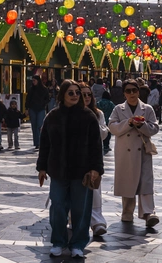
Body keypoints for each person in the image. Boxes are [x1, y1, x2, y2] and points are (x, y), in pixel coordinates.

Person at [37, 80, 104, 258]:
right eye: (71, 93)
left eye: (77, 92)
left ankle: (78, 244)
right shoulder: (52, 116)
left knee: (81, 209)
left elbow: (96, 145)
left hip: (82, 170)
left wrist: (96, 168)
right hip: (58, 170)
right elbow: (45, 144)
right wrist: (42, 167)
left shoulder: (88, 116)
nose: (75, 95)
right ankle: (58, 241)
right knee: (58, 206)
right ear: (63, 95)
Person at [108, 79, 160, 228]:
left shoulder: (147, 109)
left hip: (143, 150)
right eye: (128, 91)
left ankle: (148, 213)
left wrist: (142, 125)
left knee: (145, 181)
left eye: (134, 90)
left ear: (139, 91)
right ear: (124, 93)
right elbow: (112, 127)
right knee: (128, 182)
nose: (132, 94)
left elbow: (154, 128)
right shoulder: (118, 109)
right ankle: (127, 212)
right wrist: (129, 123)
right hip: (125, 151)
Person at [80, 83, 109, 237]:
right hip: (76, 157)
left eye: (88, 94)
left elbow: (104, 133)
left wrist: (94, 126)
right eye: (83, 94)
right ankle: (74, 219)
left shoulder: (98, 114)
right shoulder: (71, 113)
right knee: (76, 188)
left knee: (95, 188)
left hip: (93, 156)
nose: (86, 97)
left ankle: (97, 221)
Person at [26, 75, 50, 150]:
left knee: (39, 126)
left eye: (34, 80)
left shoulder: (44, 89)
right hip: (32, 109)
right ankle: (36, 143)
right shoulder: (31, 89)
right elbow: (28, 99)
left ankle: (40, 142)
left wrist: (43, 103)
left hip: (41, 109)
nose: (33, 82)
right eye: (32, 81)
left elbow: (47, 98)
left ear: (38, 81)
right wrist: (27, 108)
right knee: (34, 126)